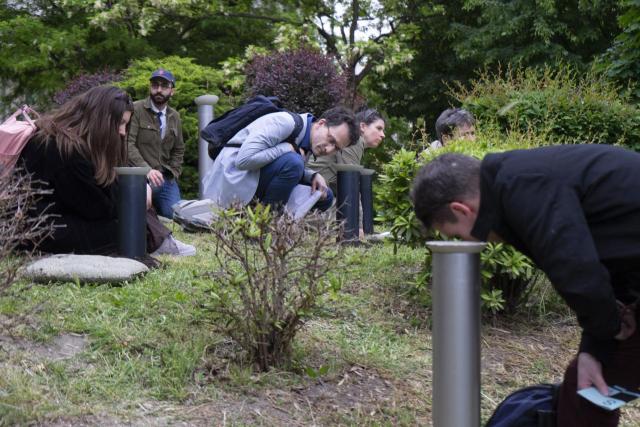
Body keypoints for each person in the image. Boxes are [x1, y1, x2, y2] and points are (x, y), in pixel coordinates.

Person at [410, 145, 640, 427]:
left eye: (458, 235)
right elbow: (609, 266)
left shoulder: (525, 188)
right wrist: (594, 349)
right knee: (587, 387)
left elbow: (576, 268)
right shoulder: (515, 183)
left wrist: (610, 330)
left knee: (586, 396)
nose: (470, 244)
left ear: (461, 209)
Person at [18, 85, 195, 257]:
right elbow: (97, 208)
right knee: (125, 226)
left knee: (130, 209)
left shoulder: (63, 140)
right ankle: (157, 240)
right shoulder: (62, 149)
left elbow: (96, 194)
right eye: (121, 123)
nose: (123, 132)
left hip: (50, 221)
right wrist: (136, 195)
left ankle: (158, 239)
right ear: (102, 119)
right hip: (38, 232)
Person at [203, 106, 358, 211]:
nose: (329, 149)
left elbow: (278, 163)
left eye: (336, 148)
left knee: (324, 195)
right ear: (321, 123)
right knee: (293, 163)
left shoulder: (308, 140)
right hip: (231, 179)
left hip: (250, 178)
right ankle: (264, 227)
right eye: (331, 140)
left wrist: (312, 176)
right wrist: (286, 148)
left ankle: (285, 223)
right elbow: (243, 160)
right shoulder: (285, 122)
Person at [127, 68, 185, 219]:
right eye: (155, 85)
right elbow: (128, 144)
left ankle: (155, 206)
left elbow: (179, 149)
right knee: (138, 212)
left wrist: (174, 172)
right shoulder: (136, 109)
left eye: (164, 86)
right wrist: (147, 170)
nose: (158, 90)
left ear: (172, 91)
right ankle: (150, 205)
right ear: (150, 87)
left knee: (175, 216)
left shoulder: (175, 116)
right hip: (140, 176)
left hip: (165, 178)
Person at [307, 107, 386, 194]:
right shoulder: (357, 142)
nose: (383, 135)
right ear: (363, 126)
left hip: (313, 185)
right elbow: (351, 185)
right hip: (308, 186)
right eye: (379, 128)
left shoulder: (355, 144)